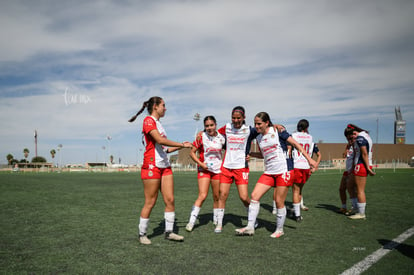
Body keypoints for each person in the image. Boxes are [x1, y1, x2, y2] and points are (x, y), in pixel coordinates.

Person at [235, 112, 316, 238]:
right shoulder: (258, 137)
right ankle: (250, 227)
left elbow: (295, 144)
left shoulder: (278, 131)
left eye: (259, 123)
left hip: (284, 170)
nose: (256, 126)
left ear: (267, 123)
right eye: (255, 123)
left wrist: (309, 160)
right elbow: (264, 155)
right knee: (255, 196)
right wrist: (252, 154)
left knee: (279, 201)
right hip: (269, 172)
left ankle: (279, 229)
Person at [128, 96, 193, 245]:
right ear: (155, 106)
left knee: (170, 199)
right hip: (152, 165)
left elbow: (165, 149)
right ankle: (142, 234)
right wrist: (182, 146)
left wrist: (183, 144)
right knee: (150, 201)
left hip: (164, 165)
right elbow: (160, 140)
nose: (165, 108)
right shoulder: (148, 121)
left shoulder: (159, 124)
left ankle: (169, 232)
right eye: (163, 105)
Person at [214, 106, 258, 233]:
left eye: (238, 118)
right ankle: (219, 223)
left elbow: (263, 129)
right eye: (233, 118)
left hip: (241, 168)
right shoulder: (226, 128)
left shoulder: (249, 130)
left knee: (244, 197)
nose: (236, 120)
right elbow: (213, 133)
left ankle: (252, 218)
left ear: (244, 118)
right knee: (222, 195)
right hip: (227, 167)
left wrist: (274, 126)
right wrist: (202, 132)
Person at [186, 116, 226, 232]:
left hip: (218, 170)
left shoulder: (221, 138)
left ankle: (216, 219)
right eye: (207, 126)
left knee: (216, 196)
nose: (209, 128)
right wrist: (201, 164)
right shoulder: (201, 137)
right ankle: (191, 222)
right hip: (204, 170)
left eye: (211, 125)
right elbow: (192, 153)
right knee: (202, 195)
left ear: (216, 125)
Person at [291, 119, 321, 222]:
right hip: (306, 166)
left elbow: (290, 149)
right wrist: (315, 165)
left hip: (297, 165)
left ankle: (297, 215)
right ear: (307, 127)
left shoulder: (294, 136)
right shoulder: (310, 137)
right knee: (299, 190)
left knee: (295, 190)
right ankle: (297, 209)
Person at [345, 123, 375, 220]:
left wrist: (368, 167)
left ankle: (361, 213)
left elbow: (364, 153)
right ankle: (355, 207)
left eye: (353, 134)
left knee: (360, 190)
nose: (353, 137)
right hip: (358, 165)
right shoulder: (364, 135)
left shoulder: (360, 138)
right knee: (349, 185)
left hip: (361, 165)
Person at [338, 130, 357, 214]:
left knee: (352, 189)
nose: (348, 139)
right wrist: (347, 148)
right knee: (341, 189)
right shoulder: (349, 145)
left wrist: (353, 169)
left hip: (354, 170)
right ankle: (343, 207)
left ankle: (355, 207)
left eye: (349, 138)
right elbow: (344, 155)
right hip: (347, 170)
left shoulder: (357, 144)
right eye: (347, 138)